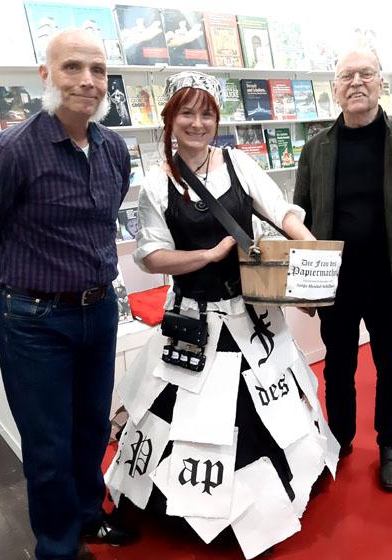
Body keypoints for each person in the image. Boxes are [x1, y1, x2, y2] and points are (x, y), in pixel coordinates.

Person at [105, 71, 339, 558]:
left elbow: (281, 210)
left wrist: (311, 250)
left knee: (259, 413)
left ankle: (262, 509)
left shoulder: (239, 163)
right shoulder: (156, 182)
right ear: (170, 119)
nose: (197, 123)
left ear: (217, 119)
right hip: (193, 320)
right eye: (187, 113)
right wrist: (208, 256)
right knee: (189, 417)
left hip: (249, 316)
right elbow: (150, 256)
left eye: (207, 114)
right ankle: (192, 510)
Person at [0, 29, 134, 560]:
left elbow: (105, 219)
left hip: (99, 311)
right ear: (45, 75)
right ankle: (57, 548)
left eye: (98, 69)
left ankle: (89, 517)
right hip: (35, 322)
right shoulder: (9, 152)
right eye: (72, 67)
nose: (87, 81)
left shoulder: (113, 148)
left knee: (91, 428)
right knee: (49, 445)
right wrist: (15, 295)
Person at [294, 48, 392, 492]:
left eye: (366, 73)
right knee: (337, 368)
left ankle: (391, 444)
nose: (357, 82)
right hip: (336, 284)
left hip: (389, 280)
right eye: (347, 75)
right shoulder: (315, 149)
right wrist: (302, 288)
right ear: (335, 90)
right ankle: (340, 438)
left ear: (381, 83)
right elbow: (300, 220)